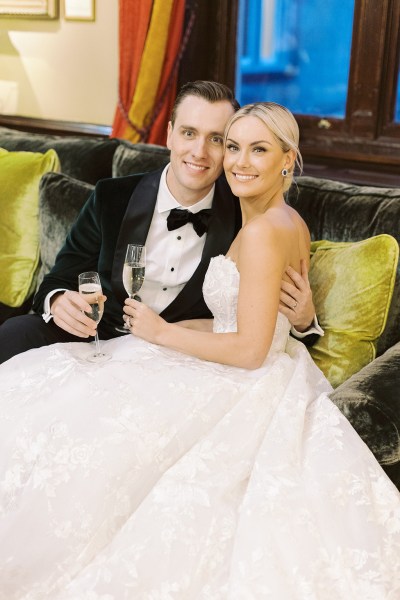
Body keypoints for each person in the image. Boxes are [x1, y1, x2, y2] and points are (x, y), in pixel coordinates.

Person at [0, 102, 399, 599]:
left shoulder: (252, 221)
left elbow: (253, 345)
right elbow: (245, 313)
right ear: (169, 134)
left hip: (236, 369)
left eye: (255, 149)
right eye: (233, 146)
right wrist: (79, 307)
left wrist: (162, 334)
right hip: (206, 351)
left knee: (91, 438)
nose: (235, 161)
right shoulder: (269, 216)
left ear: (287, 160)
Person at [0, 81, 319, 365]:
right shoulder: (112, 197)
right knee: (14, 333)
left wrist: (304, 322)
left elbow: (258, 327)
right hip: (99, 335)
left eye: (216, 140)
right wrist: (57, 300)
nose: (199, 152)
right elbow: (58, 278)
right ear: (169, 135)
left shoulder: (247, 213)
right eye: (189, 133)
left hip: (178, 356)